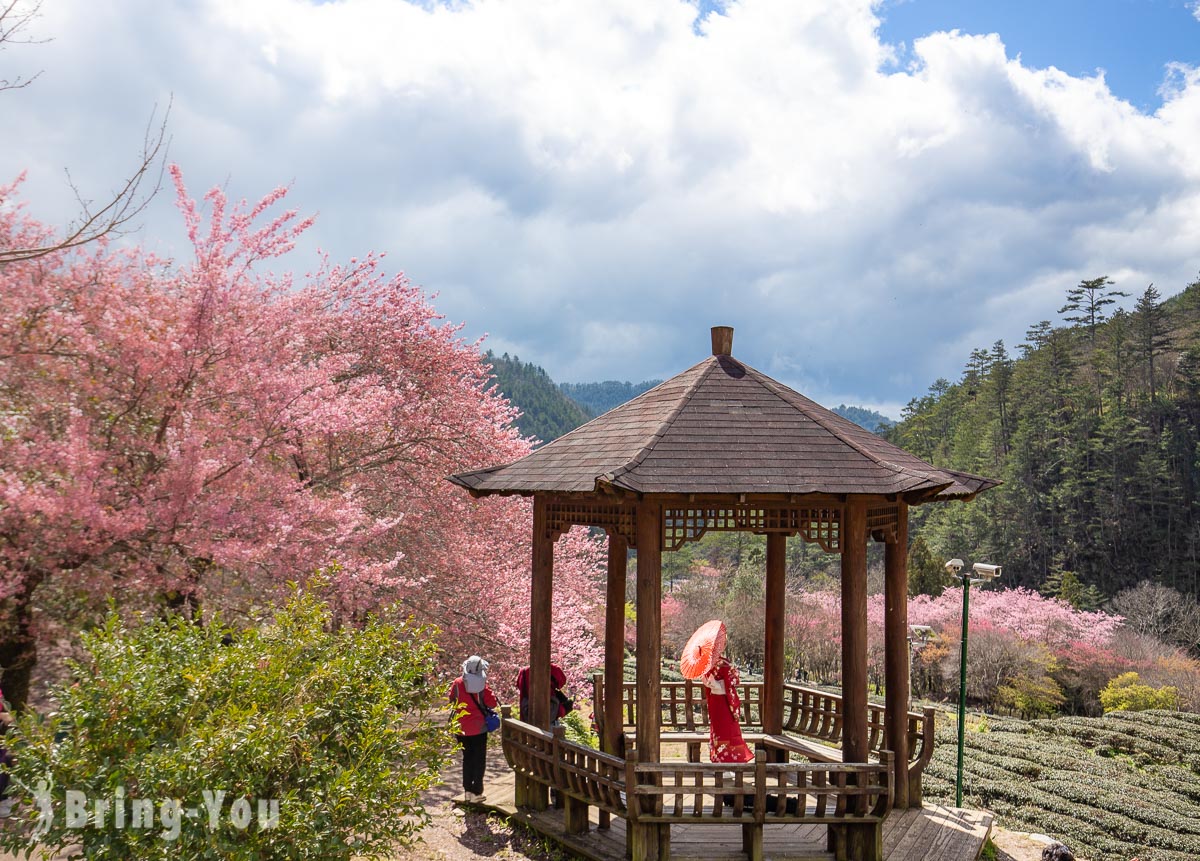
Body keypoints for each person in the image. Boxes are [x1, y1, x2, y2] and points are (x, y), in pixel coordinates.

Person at [448, 655, 498, 803]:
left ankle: (467, 792)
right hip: (478, 728)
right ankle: (477, 793)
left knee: (467, 759)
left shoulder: (457, 683)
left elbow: (451, 699)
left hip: (461, 728)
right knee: (479, 759)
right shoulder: (482, 684)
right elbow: (492, 703)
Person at [702, 654, 754, 764]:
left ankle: (721, 760)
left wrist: (712, 684)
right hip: (723, 702)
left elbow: (709, 682)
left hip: (717, 702)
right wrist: (715, 684)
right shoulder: (723, 663)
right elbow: (730, 682)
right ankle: (728, 761)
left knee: (720, 732)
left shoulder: (709, 664)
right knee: (726, 732)